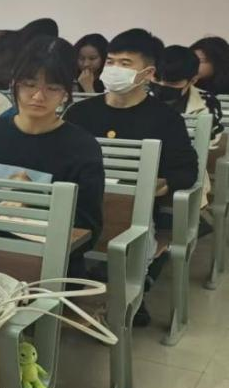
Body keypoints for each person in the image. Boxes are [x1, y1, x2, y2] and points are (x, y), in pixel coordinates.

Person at [65, 29, 198, 324]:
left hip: (132, 212)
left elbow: (186, 170)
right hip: (78, 207)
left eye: (125, 64)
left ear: (147, 73)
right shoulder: (80, 112)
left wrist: (161, 185)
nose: (114, 69)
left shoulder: (165, 118)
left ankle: (124, 296)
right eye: (111, 61)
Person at [0, 35, 105, 271]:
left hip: (48, 262)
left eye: (52, 88)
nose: (38, 96)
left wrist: (30, 210)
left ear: (66, 93)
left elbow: (87, 226)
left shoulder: (82, 147)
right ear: (15, 84)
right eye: (30, 84)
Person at [153, 45, 224, 207]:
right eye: (158, 79)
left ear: (192, 80)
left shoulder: (207, 102)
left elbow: (209, 142)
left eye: (173, 82)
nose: (163, 85)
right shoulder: (142, 94)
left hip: (181, 167)